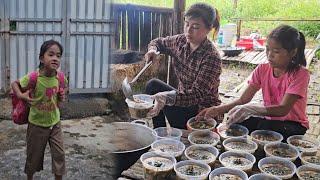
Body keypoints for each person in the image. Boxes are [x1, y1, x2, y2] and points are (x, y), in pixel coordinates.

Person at [197, 25, 309, 140]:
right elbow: (243, 100)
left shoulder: (300, 74)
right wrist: (217, 109)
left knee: (264, 126)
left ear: (293, 52)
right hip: (270, 119)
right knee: (236, 123)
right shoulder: (263, 69)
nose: (270, 55)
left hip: (293, 124)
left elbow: (283, 109)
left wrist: (250, 109)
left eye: (276, 51)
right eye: (267, 49)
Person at [144, 3, 223, 129]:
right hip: (182, 103)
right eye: (186, 24)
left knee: (164, 96)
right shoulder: (180, 42)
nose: (188, 30)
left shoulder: (211, 57)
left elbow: (197, 94)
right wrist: (153, 50)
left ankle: (172, 130)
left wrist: (167, 97)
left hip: (201, 113)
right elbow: (158, 42)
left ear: (209, 28)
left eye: (195, 27)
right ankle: (159, 131)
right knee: (153, 85)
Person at [11, 40, 67, 180]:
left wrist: (62, 94)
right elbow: (15, 84)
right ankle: (30, 177)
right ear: (42, 58)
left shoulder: (60, 77)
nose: (55, 58)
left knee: (59, 155)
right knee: (33, 157)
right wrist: (20, 95)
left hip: (55, 123)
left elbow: (63, 89)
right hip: (36, 125)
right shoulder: (34, 77)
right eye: (51, 54)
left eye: (58, 56)